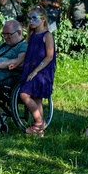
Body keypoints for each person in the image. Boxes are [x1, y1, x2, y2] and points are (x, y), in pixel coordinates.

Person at [17, 8, 55, 137]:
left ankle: (39, 122)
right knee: (36, 98)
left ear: (43, 19)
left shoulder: (47, 36)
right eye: (29, 18)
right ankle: (39, 130)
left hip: (41, 72)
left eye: (34, 18)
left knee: (24, 94)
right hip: (30, 69)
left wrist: (35, 71)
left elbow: (49, 56)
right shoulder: (32, 36)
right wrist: (16, 63)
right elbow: (28, 53)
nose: (31, 21)